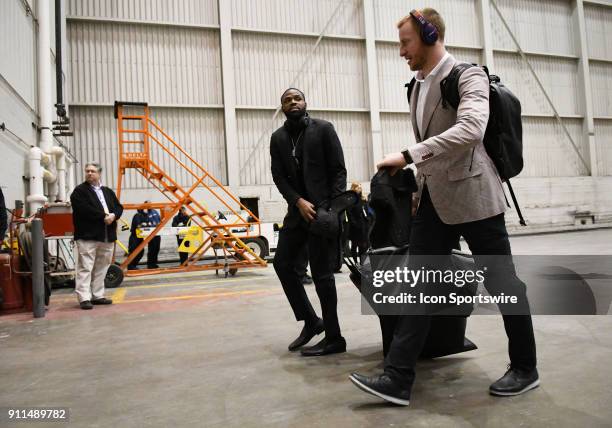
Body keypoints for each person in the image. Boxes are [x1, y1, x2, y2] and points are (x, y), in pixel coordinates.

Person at [349, 8, 538, 405]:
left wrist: (407, 154)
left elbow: (471, 130)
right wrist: (417, 188)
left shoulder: (468, 77)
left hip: (475, 197)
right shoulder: (416, 87)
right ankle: (398, 377)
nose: (401, 51)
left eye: (406, 42)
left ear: (430, 36)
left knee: (504, 286)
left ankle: (525, 367)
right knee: (415, 285)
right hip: (435, 200)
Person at [270, 88, 348, 356]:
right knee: (282, 264)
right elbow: (278, 176)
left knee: (322, 275)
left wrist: (332, 210)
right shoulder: (278, 138)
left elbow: (339, 170)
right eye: (287, 100)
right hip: (297, 213)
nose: (293, 102)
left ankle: (335, 338)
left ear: (306, 103)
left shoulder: (324, 129)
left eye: (297, 98)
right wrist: (297, 202)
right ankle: (312, 321)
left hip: (322, 213)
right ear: (282, 107)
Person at [70, 162, 123, 309]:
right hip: (88, 236)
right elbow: (84, 209)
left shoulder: (107, 191)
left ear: (99, 173)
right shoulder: (79, 191)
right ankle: (84, 298)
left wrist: (113, 215)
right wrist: (104, 216)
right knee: (85, 267)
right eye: (87, 171)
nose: (89, 173)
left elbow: (119, 207)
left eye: (93, 171)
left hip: (107, 236)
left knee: (102, 267)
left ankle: (98, 295)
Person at [127, 201, 161, 269]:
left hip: (141, 236)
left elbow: (148, 223)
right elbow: (138, 225)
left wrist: (146, 224)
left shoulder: (149, 214)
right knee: (135, 251)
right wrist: (143, 225)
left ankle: (133, 265)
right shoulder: (138, 215)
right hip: (135, 237)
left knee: (140, 252)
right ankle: (131, 265)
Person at [346, 182, 369, 264]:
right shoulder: (351, 200)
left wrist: (367, 221)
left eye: (360, 186)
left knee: (363, 245)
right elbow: (349, 213)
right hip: (355, 226)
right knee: (355, 244)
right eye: (358, 187)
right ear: (354, 188)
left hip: (363, 225)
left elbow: (366, 211)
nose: (360, 188)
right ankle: (355, 262)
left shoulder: (363, 199)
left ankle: (362, 262)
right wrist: (354, 223)